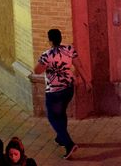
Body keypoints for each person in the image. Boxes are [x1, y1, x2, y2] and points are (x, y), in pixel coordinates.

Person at [36, 27, 84, 159]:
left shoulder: (47, 55)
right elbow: (79, 66)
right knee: (61, 112)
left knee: (52, 117)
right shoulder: (69, 50)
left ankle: (68, 144)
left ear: (50, 40)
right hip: (68, 89)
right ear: (61, 38)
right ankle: (60, 137)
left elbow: (37, 70)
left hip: (54, 91)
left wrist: (44, 64)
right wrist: (87, 82)